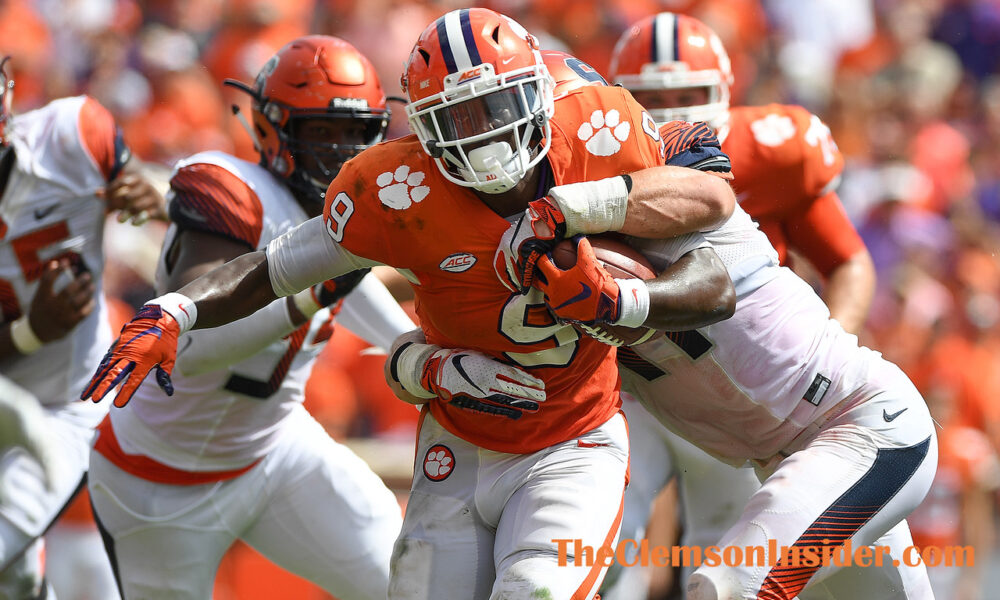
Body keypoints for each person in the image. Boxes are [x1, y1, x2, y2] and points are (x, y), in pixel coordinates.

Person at [80, 8, 739, 598]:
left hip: (573, 440)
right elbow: (276, 270)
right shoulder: (394, 188)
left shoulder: (598, 128)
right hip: (454, 449)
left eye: (497, 107)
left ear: (540, 93)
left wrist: (619, 299)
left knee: (533, 590)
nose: (486, 139)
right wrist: (176, 310)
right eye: (460, 119)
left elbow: (714, 277)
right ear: (421, 128)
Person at [85, 36, 416, 600]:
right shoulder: (229, 189)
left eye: (354, 132)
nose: (341, 150)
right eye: (321, 131)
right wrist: (309, 298)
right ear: (272, 128)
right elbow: (194, 344)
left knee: (407, 579)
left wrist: (407, 341)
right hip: (159, 479)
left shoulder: (339, 211)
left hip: (274, 450)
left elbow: (339, 273)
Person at [601, 12, 881, 598]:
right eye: (652, 99)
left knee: (724, 547)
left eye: (688, 96)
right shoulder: (593, 157)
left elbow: (849, 261)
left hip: (734, 379)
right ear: (617, 100)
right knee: (605, 534)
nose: (672, 114)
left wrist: (820, 353)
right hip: (632, 377)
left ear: (725, 92)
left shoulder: (773, 152)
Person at [0, 54, 166, 598]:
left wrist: (156, 197)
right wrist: (29, 332)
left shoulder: (73, 135)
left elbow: (171, 201)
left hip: (68, 400)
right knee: (15, 579)